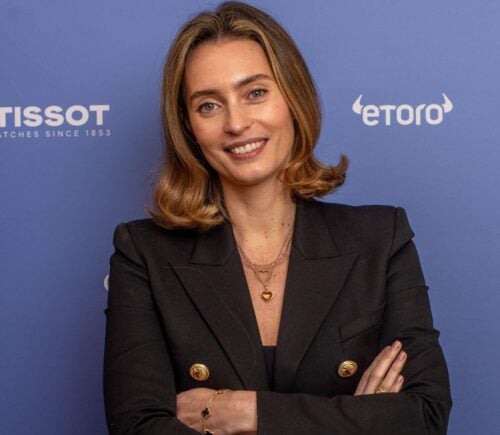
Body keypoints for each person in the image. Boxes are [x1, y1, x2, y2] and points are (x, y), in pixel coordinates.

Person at [103, 2, 451, 434]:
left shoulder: (381, 238)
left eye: (255, 93)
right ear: (189, 128)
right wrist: (352, 420)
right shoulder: (143, 254)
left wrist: (246, 412)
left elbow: (423, 417)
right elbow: (137, 427)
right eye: (209, 105)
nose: (236, 123)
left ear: (293, 97)